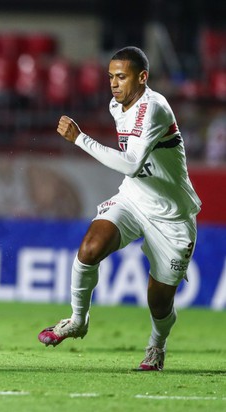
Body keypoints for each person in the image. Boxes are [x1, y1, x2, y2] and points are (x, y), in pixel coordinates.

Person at [37, 46, 201, 371]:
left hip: (171, 216)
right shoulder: (117, 104)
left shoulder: (153, 108)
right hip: (133, 198)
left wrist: (80, 139)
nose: (113, 83)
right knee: (89, 249)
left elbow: (130, 163)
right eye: (110, 76)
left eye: (121, 77)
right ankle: (77, 320)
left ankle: (157, 344)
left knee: (159, 300)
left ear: (142, 77)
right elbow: (133, 172)